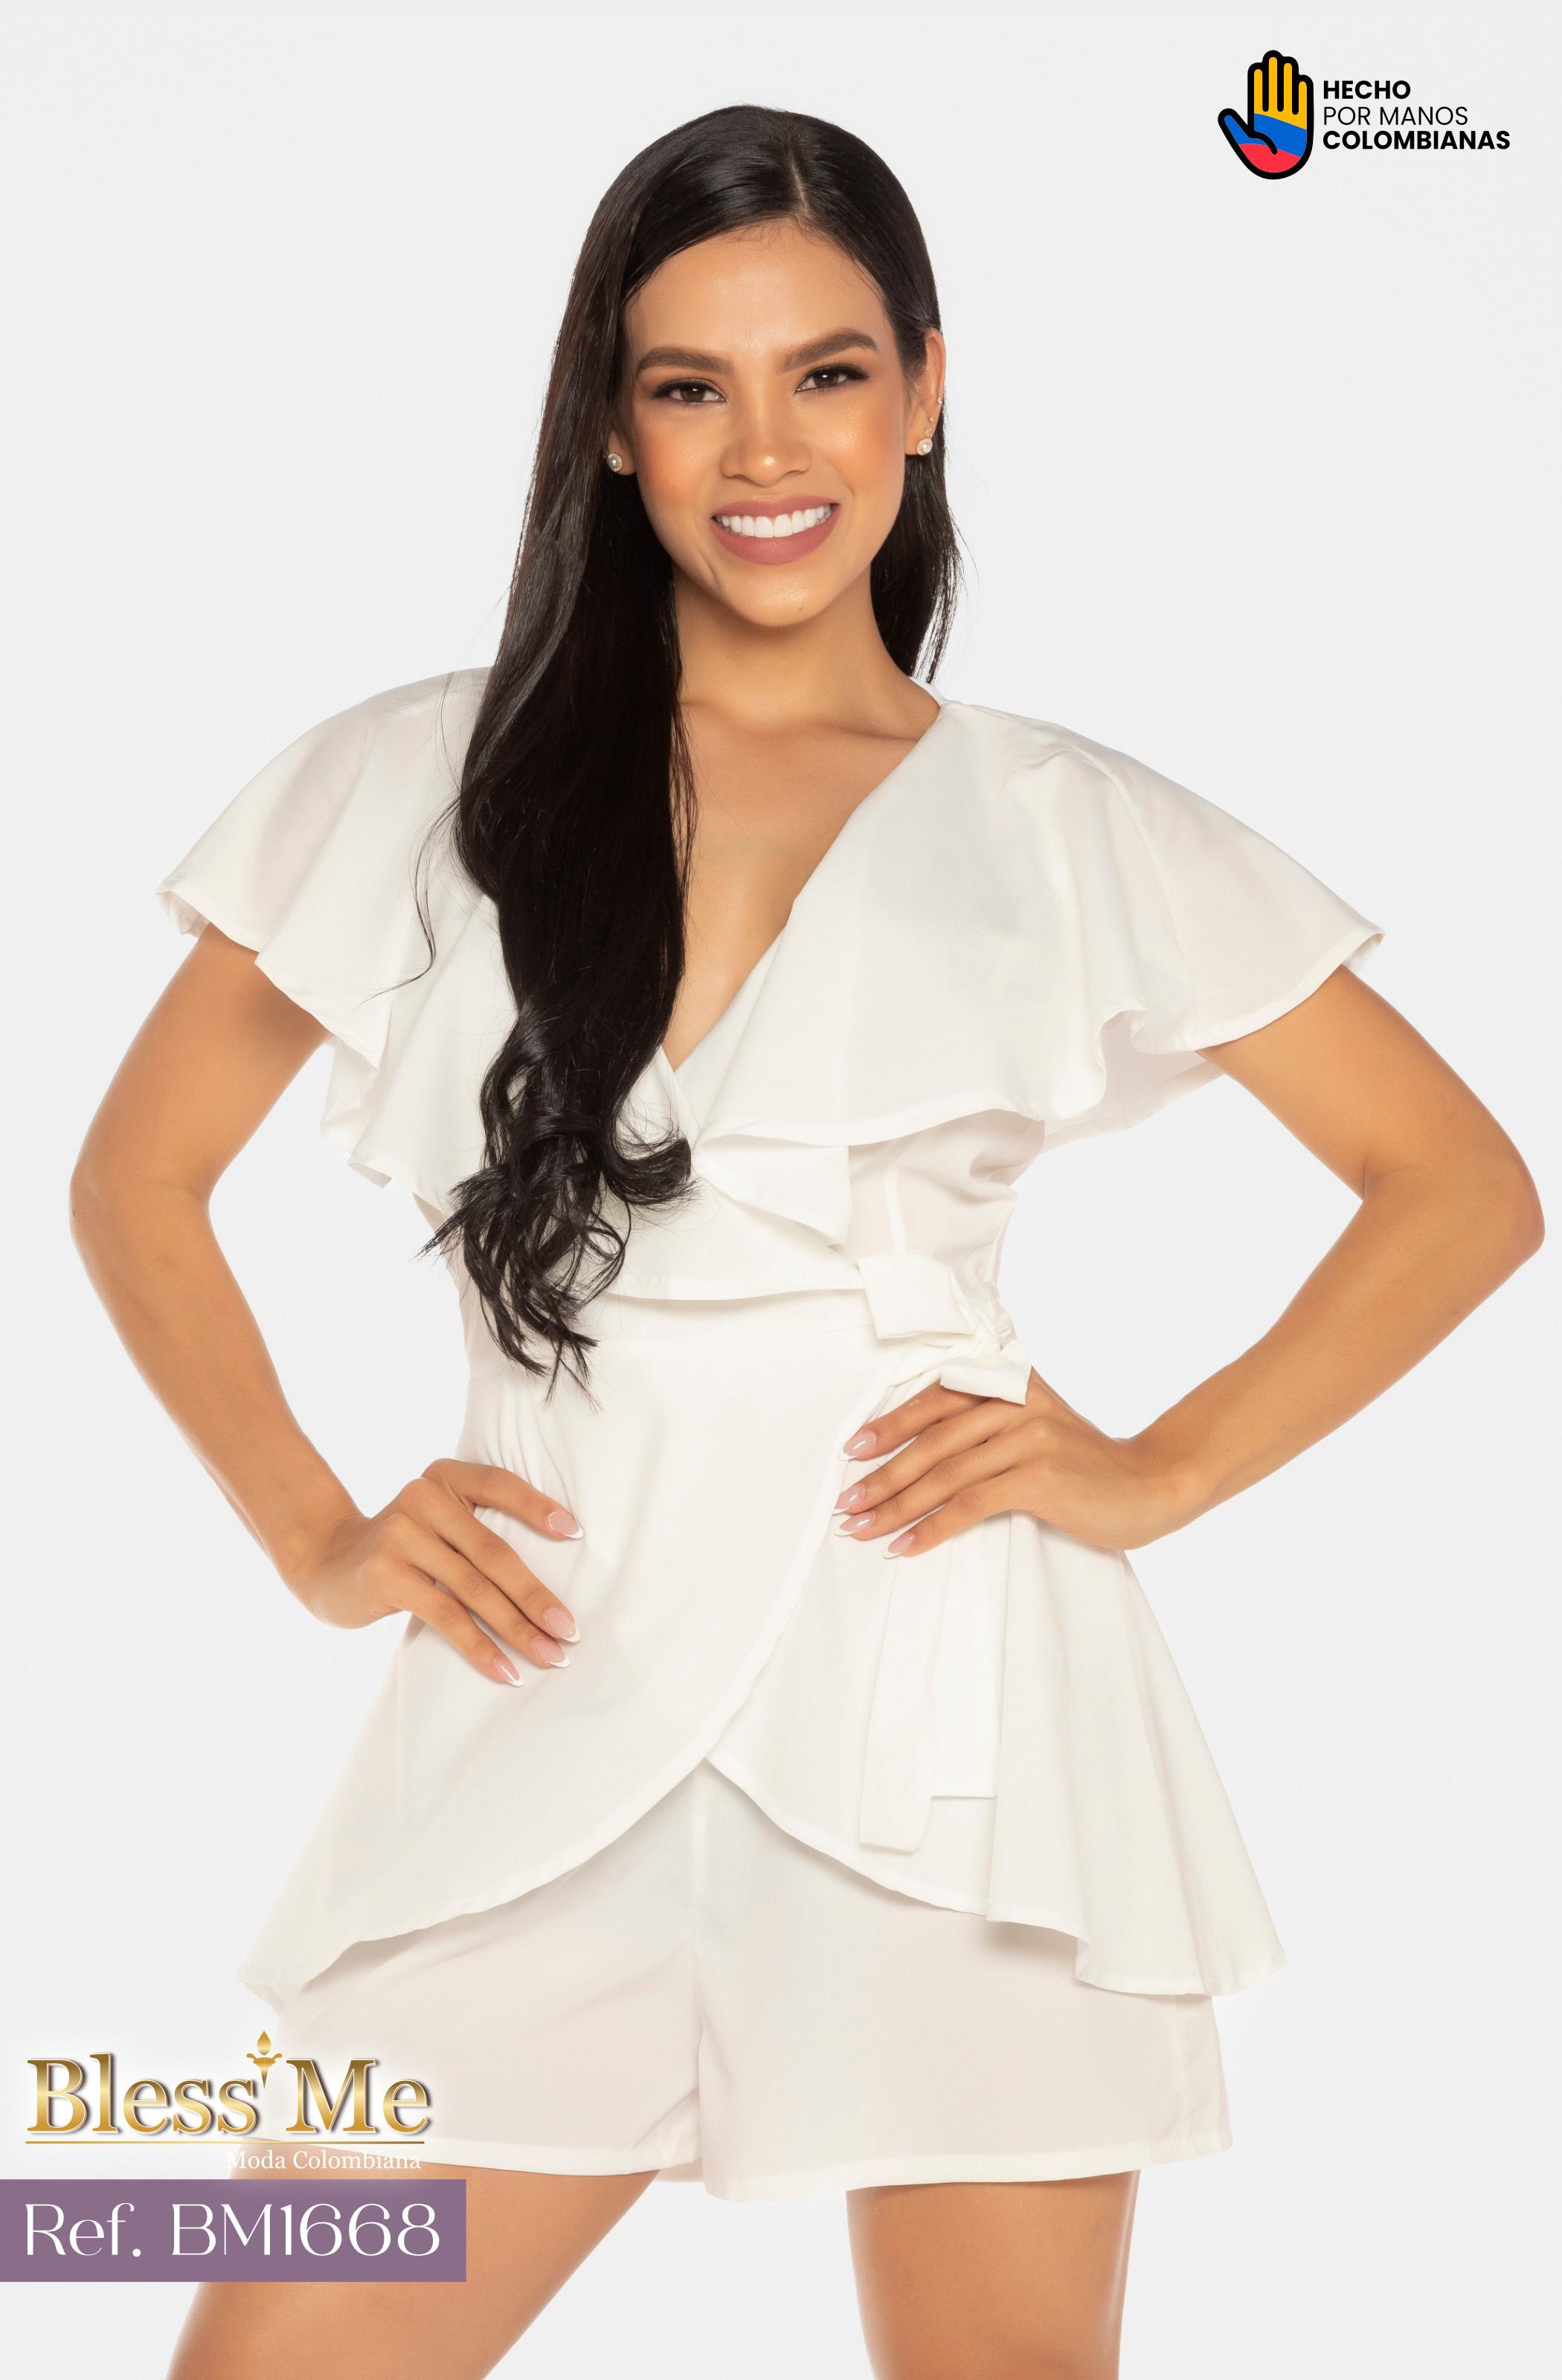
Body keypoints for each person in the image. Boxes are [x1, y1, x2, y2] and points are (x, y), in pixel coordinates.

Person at [71, 102, 1541, 2380]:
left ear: (921, 392)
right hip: (540, 1693)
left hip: (954, 1726)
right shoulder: (415, 781)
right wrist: (315, 1534)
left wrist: (1154, 1469)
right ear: (612, 426)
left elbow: (1456, 1186)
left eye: (827, 373)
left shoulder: (1064, 823)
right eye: (691, 385)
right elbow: (136, 1178)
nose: (766, 449)